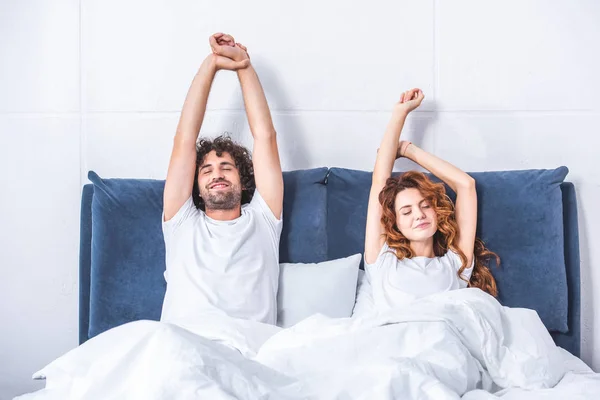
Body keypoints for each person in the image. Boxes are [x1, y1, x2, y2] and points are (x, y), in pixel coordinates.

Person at [160, 33, 284, 325]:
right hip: (185, 348)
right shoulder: (181, 223)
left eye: (227, 167)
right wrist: (211, 64)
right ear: (197, 188)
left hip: (250, 351)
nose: (217, 173)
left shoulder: (264, 219)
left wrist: (244, 67)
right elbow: (184, 141)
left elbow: (265, 137)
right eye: (207, 170)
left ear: (243, 181)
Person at [357, 88, 499, 315]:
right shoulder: (383, 261)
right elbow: (379, 182)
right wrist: (400, 113)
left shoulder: (455, 264)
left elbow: (466, 185)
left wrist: (408, 150)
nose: (419, 215)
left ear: (437, 212)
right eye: (406, 212)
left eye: (425, 206)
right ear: (395, 223)